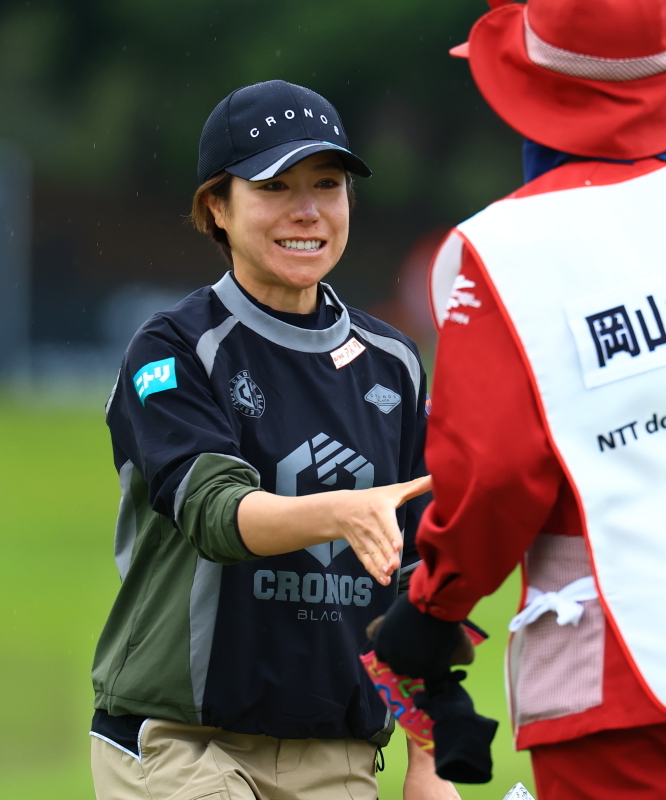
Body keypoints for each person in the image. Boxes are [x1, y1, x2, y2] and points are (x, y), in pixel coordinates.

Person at [375, 2, 666, 799]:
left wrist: (432, 606)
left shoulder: (497, 248)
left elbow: (495, 478)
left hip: (620, 656)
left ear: (527, 89)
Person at [89, 79, 458, 800]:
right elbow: (217, 514)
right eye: (276, 187)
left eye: (328, 184)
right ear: (216, 208)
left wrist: (427, 757)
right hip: (182, 745)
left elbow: (419, 584)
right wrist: (342, 511)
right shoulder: (175, 350)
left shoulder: (397, 364)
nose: (309, 211)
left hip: (338, 753)